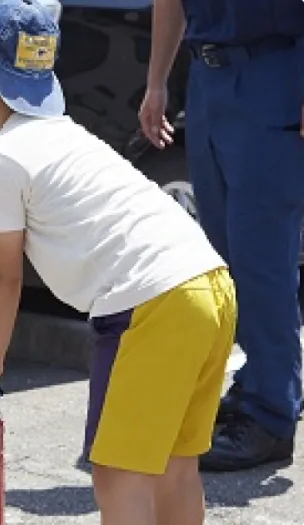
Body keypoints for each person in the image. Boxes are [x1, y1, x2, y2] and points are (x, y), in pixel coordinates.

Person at [0, 0, 236, 522]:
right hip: (208, 285)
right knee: (176, 467)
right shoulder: (64, 134)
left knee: (118, 477)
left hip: (150, 305)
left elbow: (3, 273)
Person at [138, 0, 303, 472]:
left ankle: (271, 416)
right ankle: (259, 385)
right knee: (223, 257)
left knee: (261, 260)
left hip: (272, 73)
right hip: (208, 79)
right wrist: (156, 82)